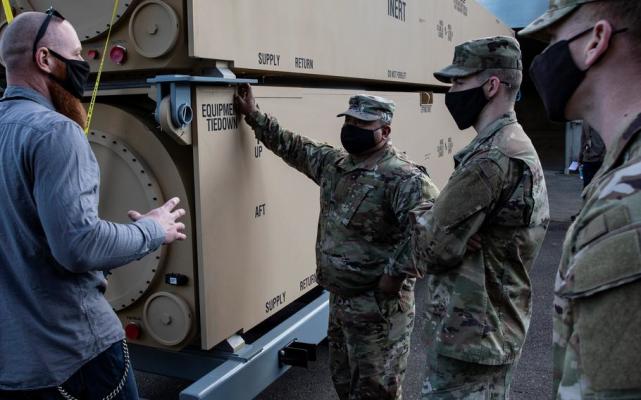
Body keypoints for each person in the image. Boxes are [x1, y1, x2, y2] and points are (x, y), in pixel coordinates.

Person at [0, 10, 187, 399]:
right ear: (45, 59)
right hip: (75, 357)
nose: (83, 65)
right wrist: (152, 229)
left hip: (14, 366)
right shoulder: (55, 133)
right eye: (76, 55)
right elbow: (78, 246)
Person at [234, 84, 439, 400]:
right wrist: (253, 116)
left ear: (384, 130)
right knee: (344, 384)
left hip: (379, 310)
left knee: (377, 392)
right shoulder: (336, 165)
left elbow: (434, 230)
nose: (351, 129)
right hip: (341, 303)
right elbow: (293, 146)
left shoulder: (403, 177)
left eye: (361, 125)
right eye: (349, 122)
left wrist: (396, 272)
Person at [409, 36, 550, 399]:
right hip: (492, 328)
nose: (451, 91)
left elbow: (428, 248)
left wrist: (430, 214)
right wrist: (445, 224)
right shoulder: (513, 142)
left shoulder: (490, 159)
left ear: (491, 86)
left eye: (459, 82)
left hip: (472, 336)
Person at [520, 0, 641, 398]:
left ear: (596, 41)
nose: (542, 60)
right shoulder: (621, 169)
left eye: (554, 40)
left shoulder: (625, 217)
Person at [579, 122, 605, 188]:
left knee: (587, 185)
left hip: (588, 159)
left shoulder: (585, 122)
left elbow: (583, 142)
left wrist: (580, 157)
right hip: (601, 159)